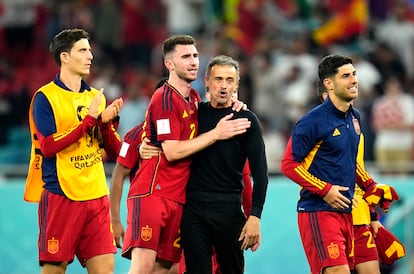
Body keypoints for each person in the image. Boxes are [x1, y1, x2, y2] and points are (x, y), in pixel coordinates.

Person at [121, 34, 251, 274]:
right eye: (185, 57)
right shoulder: (164, 98)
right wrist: (216, 134)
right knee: (143, 267)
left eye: (195, 56)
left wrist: (236, 104)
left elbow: (213, 110)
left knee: (165, 268)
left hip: (178, 198)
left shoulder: (193, 99)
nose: (193, 62)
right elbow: (171, 151)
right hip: (153, 193)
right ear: (169, 64)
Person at [281, 54, 399, 274]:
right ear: (329, 84)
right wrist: (325, 190)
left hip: (348, 211)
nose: (354, 80)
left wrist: (371, 187)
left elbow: (352, 165)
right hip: (318, 211)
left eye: (354, 74)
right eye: (346, 76)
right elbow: (288, 165)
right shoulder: (311, 122)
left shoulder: (354, 117)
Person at [23, 28, 123, 273]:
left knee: (106, 269)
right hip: (62, 195)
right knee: (54, 270)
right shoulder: (46, 97)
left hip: (97, 195)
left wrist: (105, 123)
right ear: (64, 57)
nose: (90, 55)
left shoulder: (94, 96)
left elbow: (115, 151)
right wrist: (89, 121)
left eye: (90, 50)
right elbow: (47, 146)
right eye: (83, 50)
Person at [181, 55, 269, 274]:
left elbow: (260, 174)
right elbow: (166, 140)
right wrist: (146, 146)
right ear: (207, 81)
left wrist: (255, 216)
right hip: (192, 208)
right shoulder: (193, 115)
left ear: (237, 85)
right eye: (218, 79)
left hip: (228, 209)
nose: (223, 86)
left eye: (230, 80)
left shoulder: (246, 119)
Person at [317, 85, 382, 274]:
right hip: (331, 216)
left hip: (359, 217)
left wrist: (373, 216)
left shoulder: (357, 131)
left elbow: (359, 173)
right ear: (325, 96)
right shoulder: (314, 130)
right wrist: (327, 192)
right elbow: (300, 172)